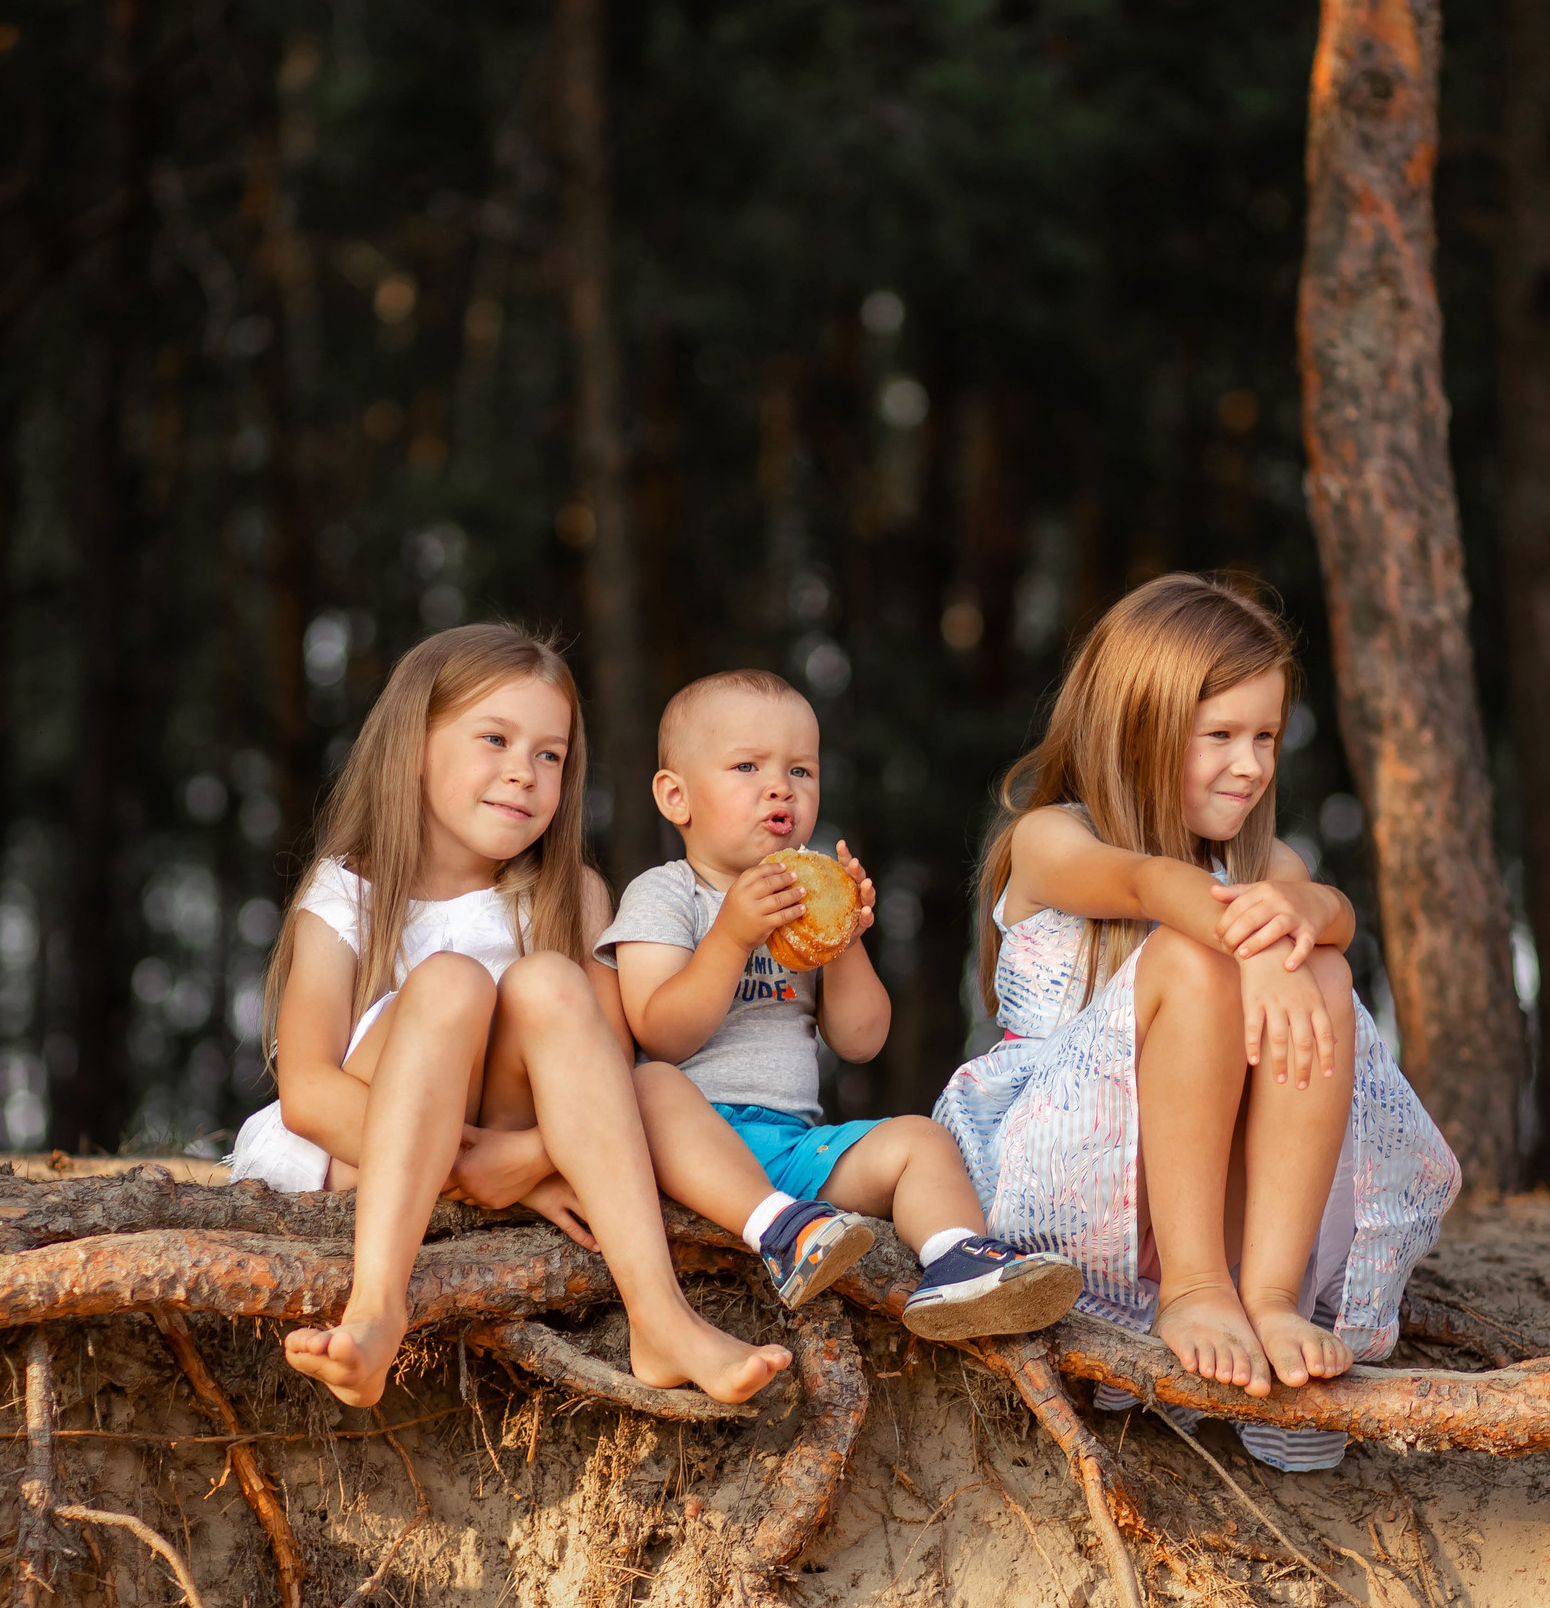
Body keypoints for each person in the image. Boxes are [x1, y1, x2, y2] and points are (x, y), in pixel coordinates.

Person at [933, 575, 1459, 1470]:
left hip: (1217, 1187)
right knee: (1199, 954)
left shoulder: (1260, 860)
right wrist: (1248, 931)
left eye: (1265, 737)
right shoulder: (1053, 836)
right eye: (1218, 736)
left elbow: (1334, 910)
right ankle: (1193, 1288)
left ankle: (1271, 1291)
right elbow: (1148, 888)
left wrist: (1297, 920)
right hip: (1063, 1179)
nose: (1250, 766)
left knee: (1315, 960)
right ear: (1138, 725)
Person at [230, 625, 792, 1409]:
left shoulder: (572, 896)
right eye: (494, 738)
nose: (522, 773)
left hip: (510, 1132)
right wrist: (499, 1172)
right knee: (453, 983)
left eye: (549, 754)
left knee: (551, 986)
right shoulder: (344, 894)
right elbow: (310, 1095)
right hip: (360, 1151)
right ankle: (376, 1309)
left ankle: (661, 1317)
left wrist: (524, 1153)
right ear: (414, 743)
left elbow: (608, 1083)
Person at [601, 670, 1083, 1339]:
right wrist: (732, 935)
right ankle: (779, 1228)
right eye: (747, 765)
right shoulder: (666, 893)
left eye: (801, 769)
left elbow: (861, 1040)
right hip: (692, 1146)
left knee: (920, 1137)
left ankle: (956, 1261)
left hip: (795, 1144)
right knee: (647, 1085)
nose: (781, 787)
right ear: (675, 796)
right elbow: (661, 1031)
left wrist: (847, 940)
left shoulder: (808, 903)